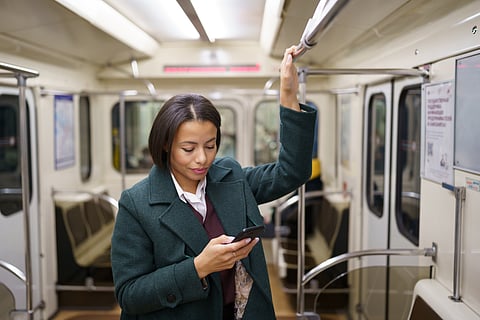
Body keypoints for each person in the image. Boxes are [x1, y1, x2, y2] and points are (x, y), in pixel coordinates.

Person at [110, 46, 317, 320]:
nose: (202, 159)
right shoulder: (136, 203)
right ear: (165, 145)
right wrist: (197, 268)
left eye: (210, 145)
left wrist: (288, 94)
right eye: (188, 148)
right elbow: (130, 294)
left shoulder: (229, 176)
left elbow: (292, 172)